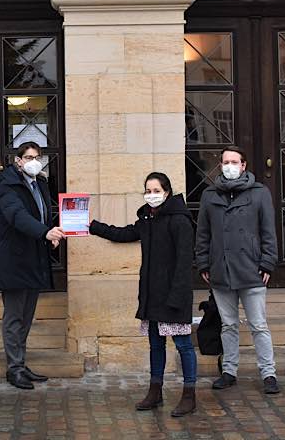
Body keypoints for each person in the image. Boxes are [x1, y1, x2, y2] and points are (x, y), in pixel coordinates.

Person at [89, 172, 198, 417]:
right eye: (147, 191)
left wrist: (177, 297)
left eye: (156, 190)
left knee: (183, 345)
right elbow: (124, 233)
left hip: (173, 296)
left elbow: (183, 262)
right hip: (152, 295)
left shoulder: (179, 221)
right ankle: (155, 391)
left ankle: (189, 394)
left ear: (167, 192)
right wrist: (92, 226)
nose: (151, 195)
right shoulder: (147, 219)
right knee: (155, 345)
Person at [195, 146, 280, 395]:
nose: (230, 166)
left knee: (258, 325)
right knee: (228, 325)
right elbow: (203, 233)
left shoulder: (259, 193)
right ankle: (229, 371)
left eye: (234, 162)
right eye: (225, 162)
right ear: (220, 165)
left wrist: (267, 262)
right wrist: (203, 262)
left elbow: (268, 232)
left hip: (251, 270)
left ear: (243, 165)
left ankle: (269, 373)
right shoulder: (210, 195)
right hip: (221, 270)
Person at [0, 141, 65, 390]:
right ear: (18, 161)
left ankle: (21, 363)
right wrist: (45, 232)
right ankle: (14, 368)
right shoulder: (8, 187)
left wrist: (54, 231)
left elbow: (45, 213)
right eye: (28, 157)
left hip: (34, 258)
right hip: (13, 260)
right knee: (14, 316)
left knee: (27, 316)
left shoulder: (40, 183)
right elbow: (18, 217)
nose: (33, 161)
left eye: (37, 157)